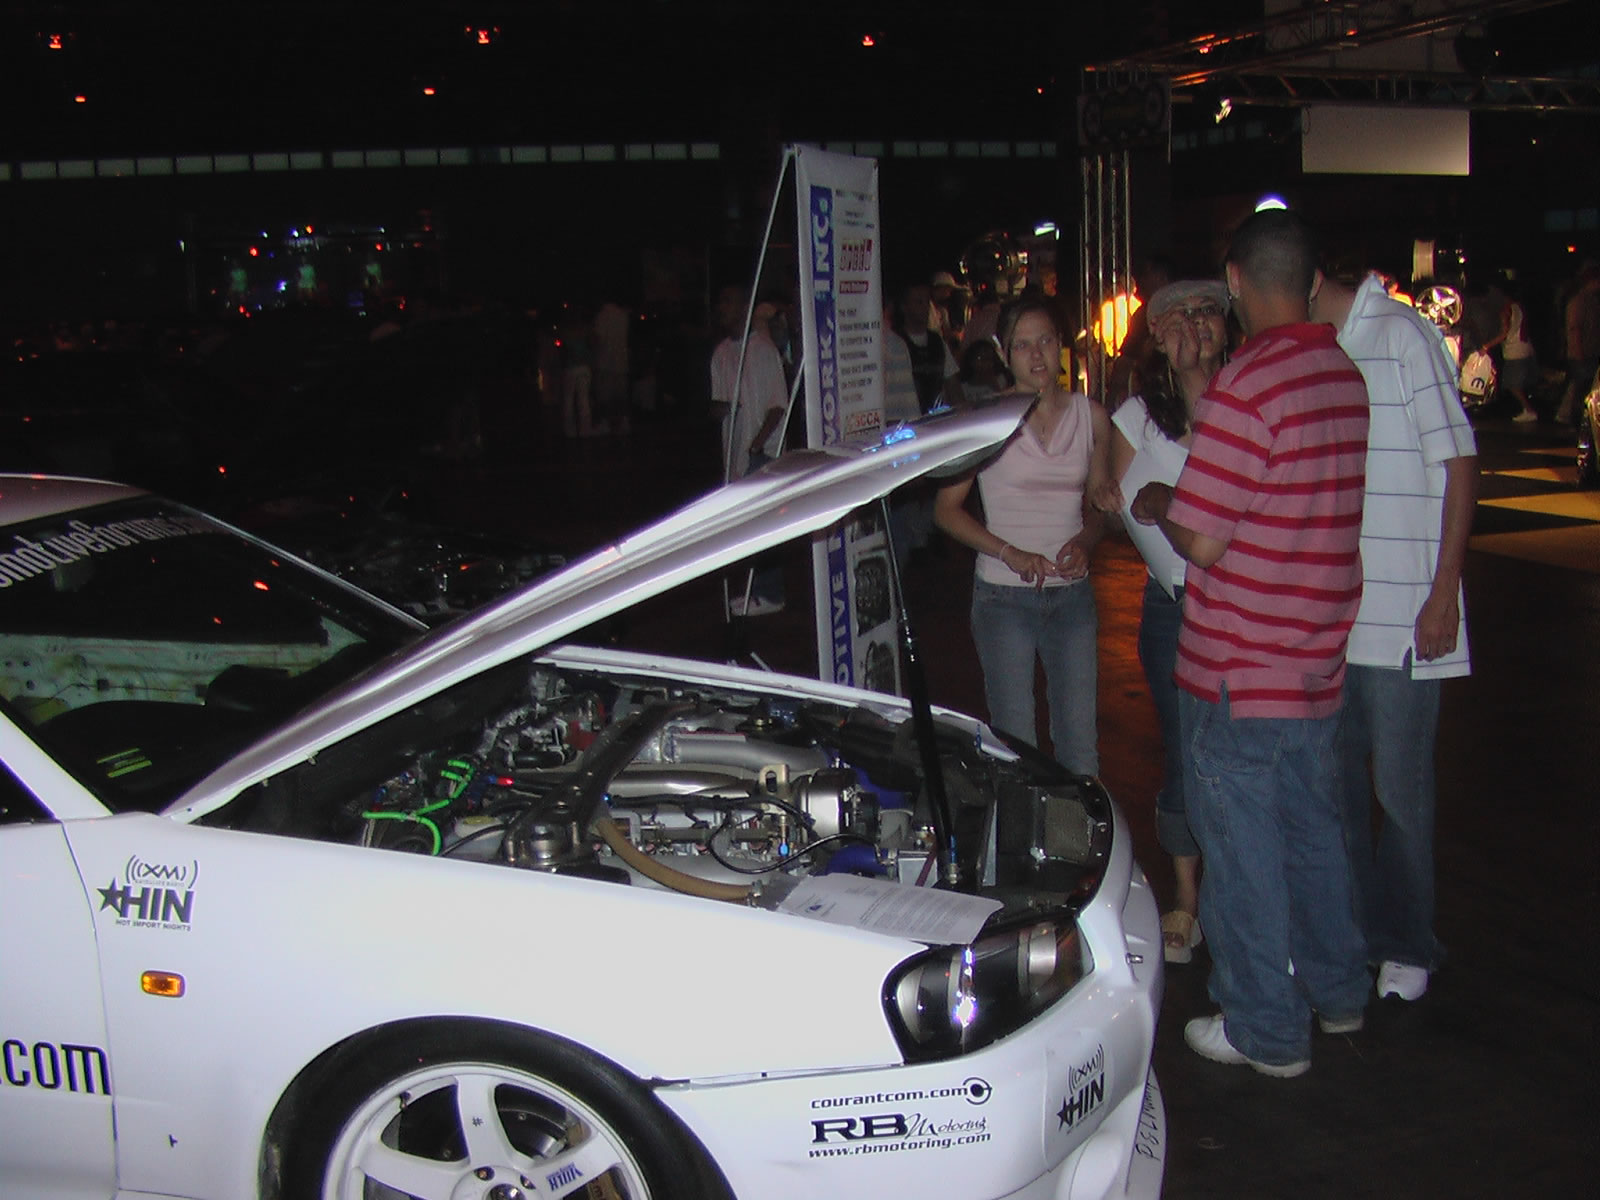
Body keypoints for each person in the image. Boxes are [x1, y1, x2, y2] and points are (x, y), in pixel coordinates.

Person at [1130, 209, 1370, 1077]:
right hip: (1315, 659)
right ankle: (1339, 993)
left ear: (1235, 282)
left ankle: (1266, 1028)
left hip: (1238, 666)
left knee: (1244, 853)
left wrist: (1164, 501)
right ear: (1312, 282)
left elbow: (1200, 538)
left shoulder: (1247, 385)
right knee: (1315, 834)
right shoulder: (1341, 374)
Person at [1309, 267, 1478, 1005]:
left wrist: (1444, 592)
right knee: (1340, 794)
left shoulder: (1403, 334)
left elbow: (1461, 463)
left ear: (1311, 277)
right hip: (1338, 621)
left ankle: (1409, 943)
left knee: (1400, 793)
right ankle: (1358, 937)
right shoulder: (1319, 347)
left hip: (1404, 617)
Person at [1089, 279, 1230, 966]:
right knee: (1183, 748)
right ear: (1156, 336)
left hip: (1241, 600)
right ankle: (1186, 895)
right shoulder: (1138, 414)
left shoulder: (1245, 397)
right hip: (1173, 601)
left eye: (1207, 313)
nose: (1195, 326)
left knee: (1242, 749)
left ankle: (1239, 892)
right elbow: (1117, 508)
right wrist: (1111, 499)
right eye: (1178, 317)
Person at [934, 299, 1108, 775]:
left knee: (1080, 748)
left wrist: (1086, 542)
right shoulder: (987, 419)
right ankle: (1022, 827)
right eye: (1023, 345)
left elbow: (1099, 505)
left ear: (1061, 345)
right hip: (1004, 598)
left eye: (1046, 341)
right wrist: (1009, 552)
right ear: (1003, 352)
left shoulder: (1091, 416)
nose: (1037, 355)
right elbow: (946, 511)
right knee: (1016, 748)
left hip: (1072, 596)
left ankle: (1076, 826)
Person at [710, 285, 789, 614]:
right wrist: (721, 409)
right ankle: (755, 590)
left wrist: (758, 444)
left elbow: (778, 405)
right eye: (721, 303)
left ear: (744, 307)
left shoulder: (763, 350)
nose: (723, 308)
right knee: (744, 528)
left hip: (762, 451)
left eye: (729, 301)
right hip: (735, 452)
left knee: (763, 525)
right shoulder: (721, 353)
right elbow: (718, 403)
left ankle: (770, 594)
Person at [1556, 262, 1600, 426]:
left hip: (1589, 351)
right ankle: (1576, 420)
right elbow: (1575, 329)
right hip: (1582, 352)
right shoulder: (1579, 301)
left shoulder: (1591, 300)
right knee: (1581, 388)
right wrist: (1579, 351)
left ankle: (1573, 417)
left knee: (1580, 387)